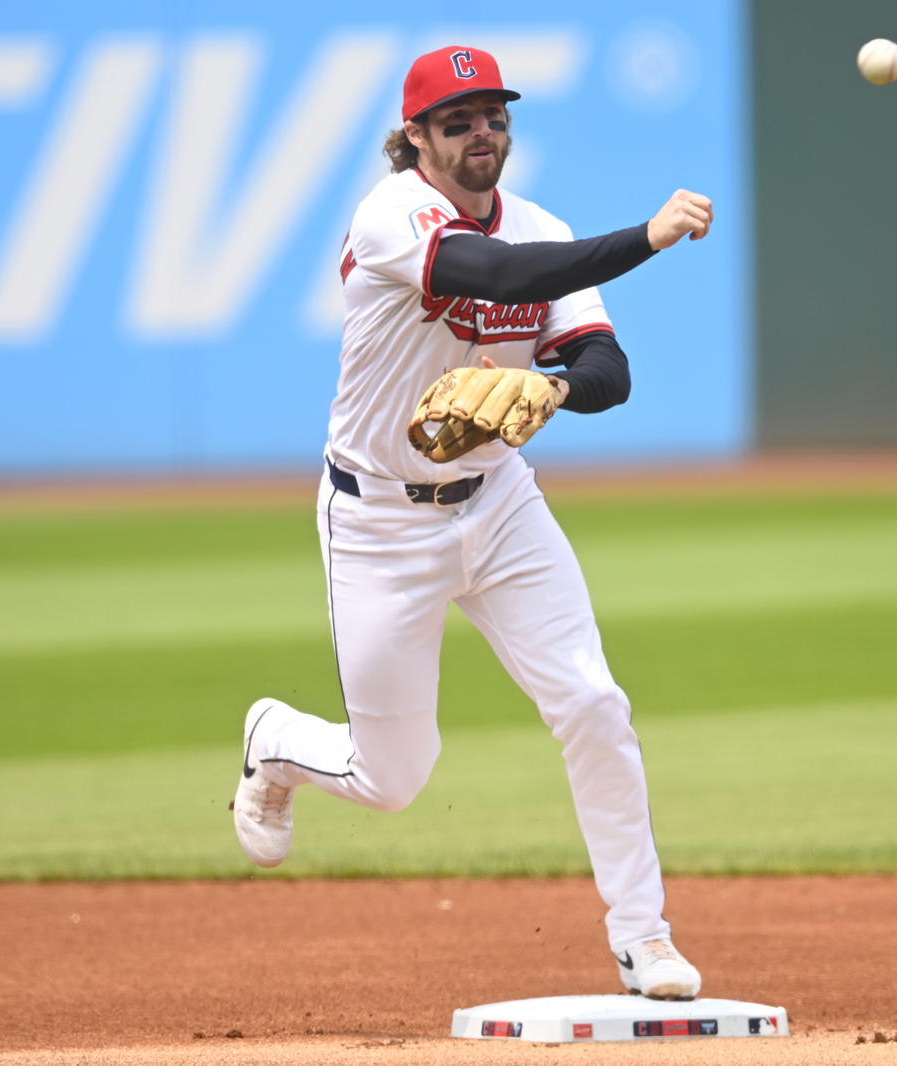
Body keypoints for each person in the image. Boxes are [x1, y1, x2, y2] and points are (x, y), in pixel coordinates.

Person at [230, 45, 711, 1001]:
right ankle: (274, 739)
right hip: (378, 524)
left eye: (494, 113)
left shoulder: (543, 223)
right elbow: (492, 271)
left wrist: (555, 384)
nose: (482, 131)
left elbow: (609, 373)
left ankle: (643, 936)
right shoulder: (392, 214)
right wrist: (647, 237)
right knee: (392, 777)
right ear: (415, 139)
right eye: (458, 121)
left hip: (499, 506)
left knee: (593, 703)